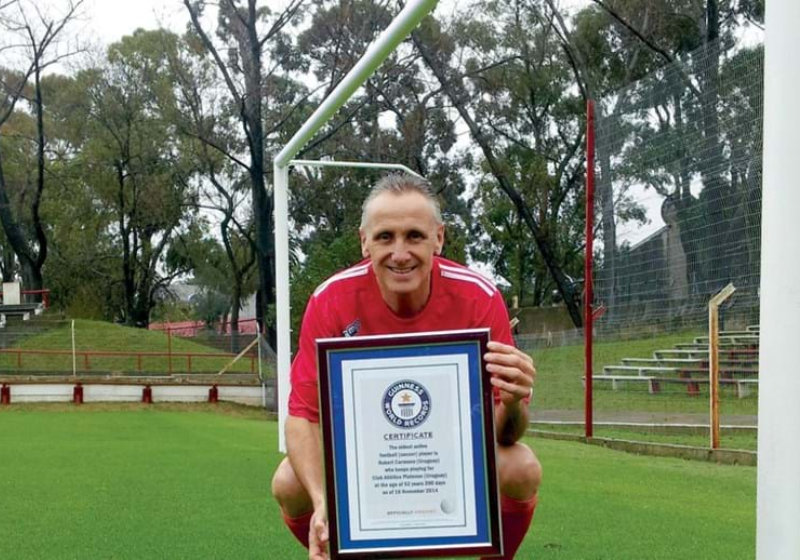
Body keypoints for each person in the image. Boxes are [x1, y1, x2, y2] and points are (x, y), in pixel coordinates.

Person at [271, 174, 542, 559]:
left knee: (522, 467)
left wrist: (514, 402)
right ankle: (342, 547)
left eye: (414, 235)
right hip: (366, 461)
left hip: (451, 459)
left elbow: (503, 436)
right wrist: (322, 501)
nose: (400, 253)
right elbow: (302, 419)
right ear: (364, 241)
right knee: (288, 482)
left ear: (439, 238)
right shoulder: (331, 300)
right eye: (385, 237)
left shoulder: (479, 298)